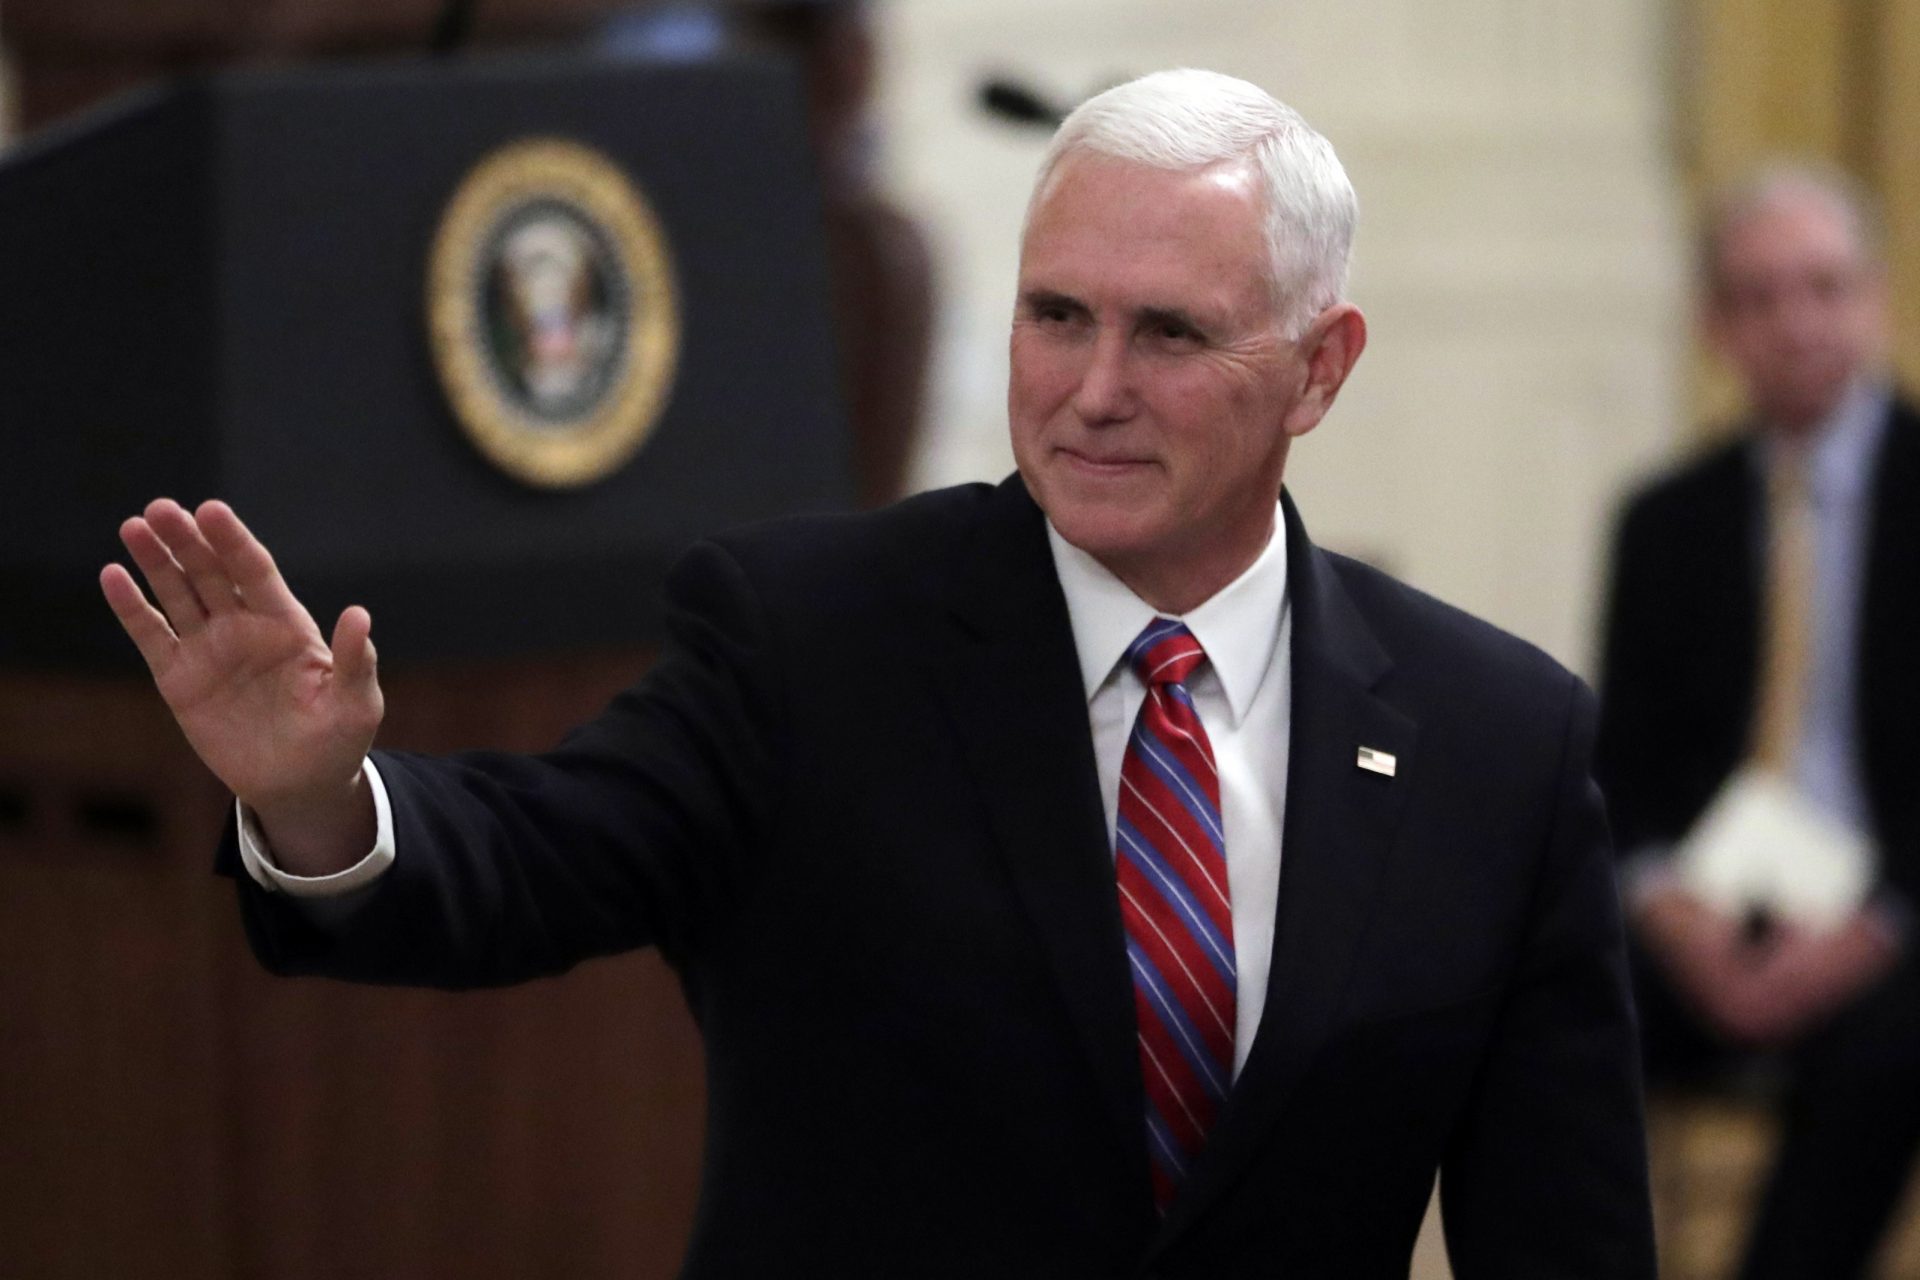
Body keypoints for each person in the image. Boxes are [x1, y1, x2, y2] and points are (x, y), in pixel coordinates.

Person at [103, 70, 1654, 1277]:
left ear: (1321, 367)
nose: (1093, 391)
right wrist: (320, 799)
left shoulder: (1495, 742)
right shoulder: (814, 638)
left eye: (1169, 333)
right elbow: (533, 853)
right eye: (1057, 316)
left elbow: (1565, 1240)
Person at [1596, 166, 1920, 1279]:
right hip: (1709, 907)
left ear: (1873, 300)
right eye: (1761, 295)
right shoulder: (1665, 520)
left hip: (1893, 921)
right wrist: (1670, 910)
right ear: (1717, 324)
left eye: (1823, 288)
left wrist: (1871, 929)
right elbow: (1625, 766)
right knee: (1542, 994)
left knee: (1891, 1044)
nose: (1797, 323)